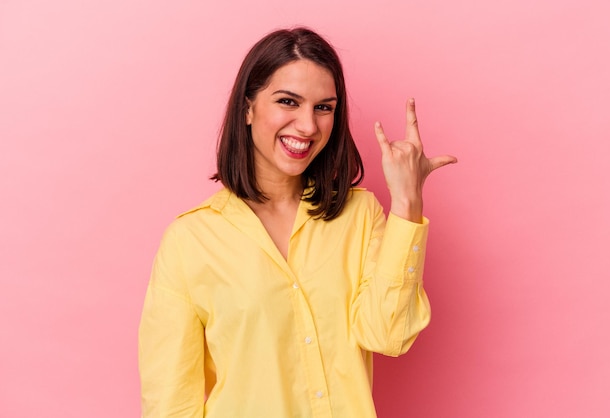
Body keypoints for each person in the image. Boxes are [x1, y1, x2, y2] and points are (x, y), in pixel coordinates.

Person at [138, 27, 456, 417]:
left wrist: (407, 201)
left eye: (324, 107)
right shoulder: (190, 241)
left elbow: (388, 335)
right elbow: (171, 404)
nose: (308, 126)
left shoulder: (360, 216)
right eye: (288, 101)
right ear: (248, 108)